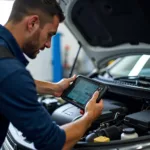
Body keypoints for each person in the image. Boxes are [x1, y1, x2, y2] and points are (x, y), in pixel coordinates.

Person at [0, 0, 104, 150]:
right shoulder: (11, 72)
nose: (49, 44)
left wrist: (54, 88)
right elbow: (54, 144)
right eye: (50, 35)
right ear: (33, 23)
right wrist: (89, 117)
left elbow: (6, 82)